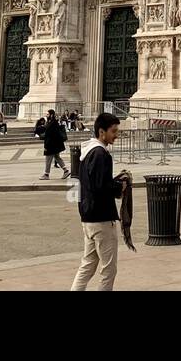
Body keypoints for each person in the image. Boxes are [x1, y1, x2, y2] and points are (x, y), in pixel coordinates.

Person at [70, 113, 128, 291]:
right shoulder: (100, 154)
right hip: (101, 218)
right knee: (108, 270)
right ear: (101, 132)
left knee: (87, 265)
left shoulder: (88, 152)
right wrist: (120, 187)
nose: (116, 135)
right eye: (113, 131)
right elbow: (100, 186)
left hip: (88, 217)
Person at [40, 109, 69, 179]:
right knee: (57, 157)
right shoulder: (53, 122)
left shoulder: (51, 124)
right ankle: (66, 171)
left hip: (51, 145)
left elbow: (49, 136)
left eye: (47, 114)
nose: (46, 116)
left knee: (48, 159)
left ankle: (46, 174)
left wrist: (46, 146)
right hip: (56, 145)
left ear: (51, 115)